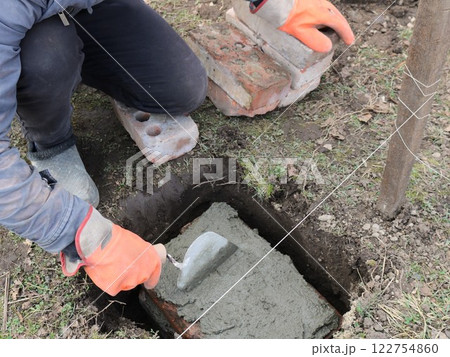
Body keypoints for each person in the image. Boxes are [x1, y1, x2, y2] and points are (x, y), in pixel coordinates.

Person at [0, 0, 354, 296]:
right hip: (25, 34)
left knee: (181, 87)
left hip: (89, 7)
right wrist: (80, 232)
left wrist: (275, 3)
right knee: (47, 58)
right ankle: (50, 141)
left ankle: (101, 71)